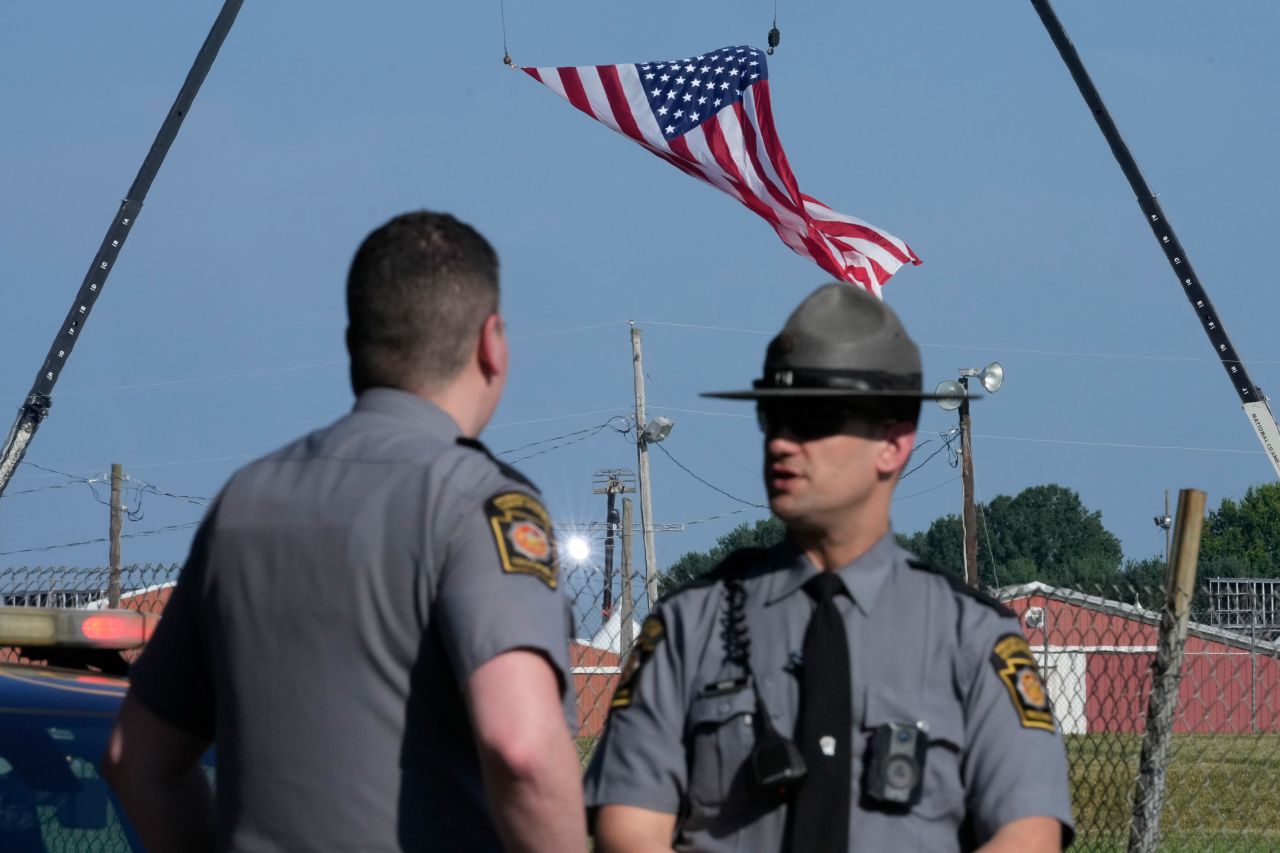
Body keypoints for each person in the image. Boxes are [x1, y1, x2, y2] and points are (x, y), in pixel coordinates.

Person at [102, 211, 588, 853]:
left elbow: (135, 759)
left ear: (355, 343)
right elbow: (522, 747)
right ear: (490, 343)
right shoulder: (477, 501)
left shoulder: (245, 502)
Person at [585, 283, 1075, 852]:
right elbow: (628, 828)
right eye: (773, 414)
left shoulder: (971, 638)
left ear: (892, 442)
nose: (781, 443)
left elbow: (1028, 833)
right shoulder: (686, 629)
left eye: (812, 418)